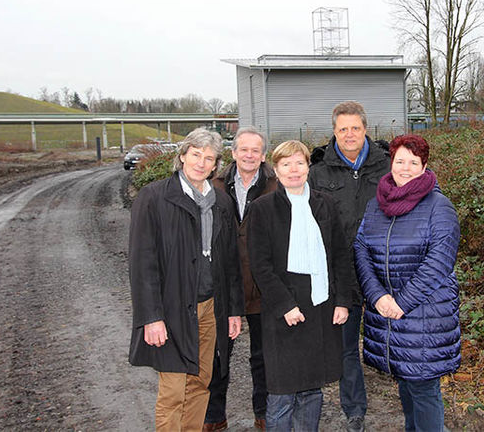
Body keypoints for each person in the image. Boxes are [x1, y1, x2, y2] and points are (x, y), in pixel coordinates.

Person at [128, 127, 244, 431]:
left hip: (210, 308)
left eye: (209, 158)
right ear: (183, 156)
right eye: (195, 155)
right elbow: (142, 263)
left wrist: (233, 309)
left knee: (201, 383)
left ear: (216, 165)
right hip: (172, 309)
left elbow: (230, 262)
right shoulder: (154, 198)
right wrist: (151, 317)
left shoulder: (220, 202)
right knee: (173, 390)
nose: (201, 163)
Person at [354, 134, 461, 432]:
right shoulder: (376, 204)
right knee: (406, 382)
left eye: (413, 162)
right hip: (387, 312)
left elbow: (439, 262)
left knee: (424, 389)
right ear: (391, 163)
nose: (405, 168)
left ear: (424, 166)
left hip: (424, 314)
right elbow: (361, 248)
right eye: (400, 161)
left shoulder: (439, 207)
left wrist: (402, 302)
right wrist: (376, 296)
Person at [248, 140, 356, 431]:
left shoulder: (325, 203)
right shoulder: (262, 209)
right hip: (283, 308)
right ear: (275, 169)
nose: (293, 170)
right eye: (286, 164)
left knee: (311, 389)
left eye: (299, 163)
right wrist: (286, 305)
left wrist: (343, 300)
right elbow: (261, 265)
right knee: (282, 390)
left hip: (320, 304)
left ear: (309, 166)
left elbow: (340, 255)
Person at [307, 100, 390, 432]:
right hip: (341, 275)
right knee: (345, 347)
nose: (349, 134)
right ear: (334, 132)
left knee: (397, 344)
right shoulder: (318, 172)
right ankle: (354, 411)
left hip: (383, 273)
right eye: (343, 129)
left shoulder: (387, 166)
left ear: (366, 129)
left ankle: (413, 401)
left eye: (355, 127)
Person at [204, 127, 277, 431]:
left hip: (263, 284)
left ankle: (263, 412)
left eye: (255, 150)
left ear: (263, 155)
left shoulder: (276, 185)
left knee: (263, 356)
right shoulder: (213, 186)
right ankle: (214, 415)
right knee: (218, 355)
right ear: (233, 153)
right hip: (224, 285)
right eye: (243, 149)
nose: (249, 155)